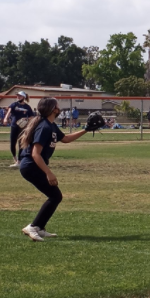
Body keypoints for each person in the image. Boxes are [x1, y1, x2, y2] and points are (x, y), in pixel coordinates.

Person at [19, 97, 90, 242]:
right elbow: (35, 153)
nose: (60, 108)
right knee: (55, 196)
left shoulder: (50, 125)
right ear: (53, 109)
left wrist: (86, 130)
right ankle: (33, 227)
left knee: (55, 196)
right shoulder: (44, 127)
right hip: (31, 165)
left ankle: (39, 227)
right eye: (57, 106)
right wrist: (48, 173)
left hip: (33, 165)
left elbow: (66, 139)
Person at [3, 91, 35, 168]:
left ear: (23, 97)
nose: (18, 97)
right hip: (14, 126)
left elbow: (32, 117)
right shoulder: (14, 104)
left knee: (21, 144)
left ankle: (19, 161)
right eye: (17, 96)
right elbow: (9, 112)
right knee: (12, 144)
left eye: (20, 96)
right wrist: (5, 118)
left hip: (23, 128)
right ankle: (15, 159)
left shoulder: (27, 107)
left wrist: (26, 119)